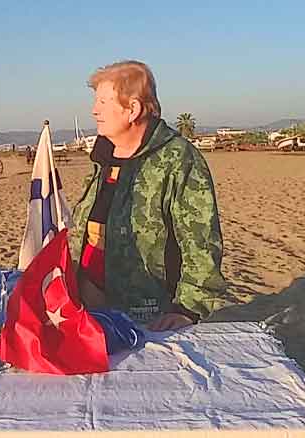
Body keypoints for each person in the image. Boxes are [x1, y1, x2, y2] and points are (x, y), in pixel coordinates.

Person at [70, 60, 228, 332]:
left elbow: (201, 240)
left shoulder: (177, 159)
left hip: (147, 312)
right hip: (89, 306)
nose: (94, 110)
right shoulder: (104, 156)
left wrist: (188, 308)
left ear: (133, 109)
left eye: (103, 102)